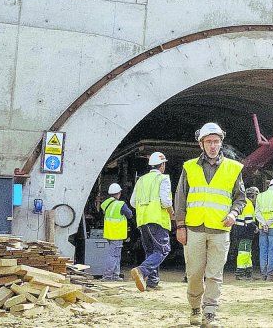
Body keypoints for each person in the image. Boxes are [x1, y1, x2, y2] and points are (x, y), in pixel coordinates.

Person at [174, 122, 247, 328]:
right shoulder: (189, 167)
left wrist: (233, 213)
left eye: (216, 141)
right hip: (194, 228)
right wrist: (180, 226)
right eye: (208, 142)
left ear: (221, 143)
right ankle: (195, 308)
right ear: (201, 144)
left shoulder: (233, 169)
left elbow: (241, 198)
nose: (212, 145)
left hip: (220, 230)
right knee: (195, 273)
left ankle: (210, 313)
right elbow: (180, 198)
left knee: (215, 274)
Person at [130, 151, 174, 292]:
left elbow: (132, 202)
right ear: (162, 165)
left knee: (151, 251)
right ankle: (142, 271)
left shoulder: (141, 180)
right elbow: (165, 201)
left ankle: (152, 283)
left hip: (142, 220)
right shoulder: (163, 179)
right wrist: (171, 213)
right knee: (163, 249)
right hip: (157, 219)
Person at [100, 183, 134, 281]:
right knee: (113, 255)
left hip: (109, 233)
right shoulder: (120, 204)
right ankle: (107, 276)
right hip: (117, 233)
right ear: (119, 193)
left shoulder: (105, 204)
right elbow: (130, 214)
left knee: (116, 254)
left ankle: (115, 275)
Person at [233, 187, 259, 280]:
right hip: (245, 232)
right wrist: (255, 228)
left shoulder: (243, 202)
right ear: (253, 195)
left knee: (247, 253)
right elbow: (248, 221)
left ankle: (249, 273)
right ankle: (239, 273)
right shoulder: (248, 204)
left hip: (239, 230)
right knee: (243, 253)